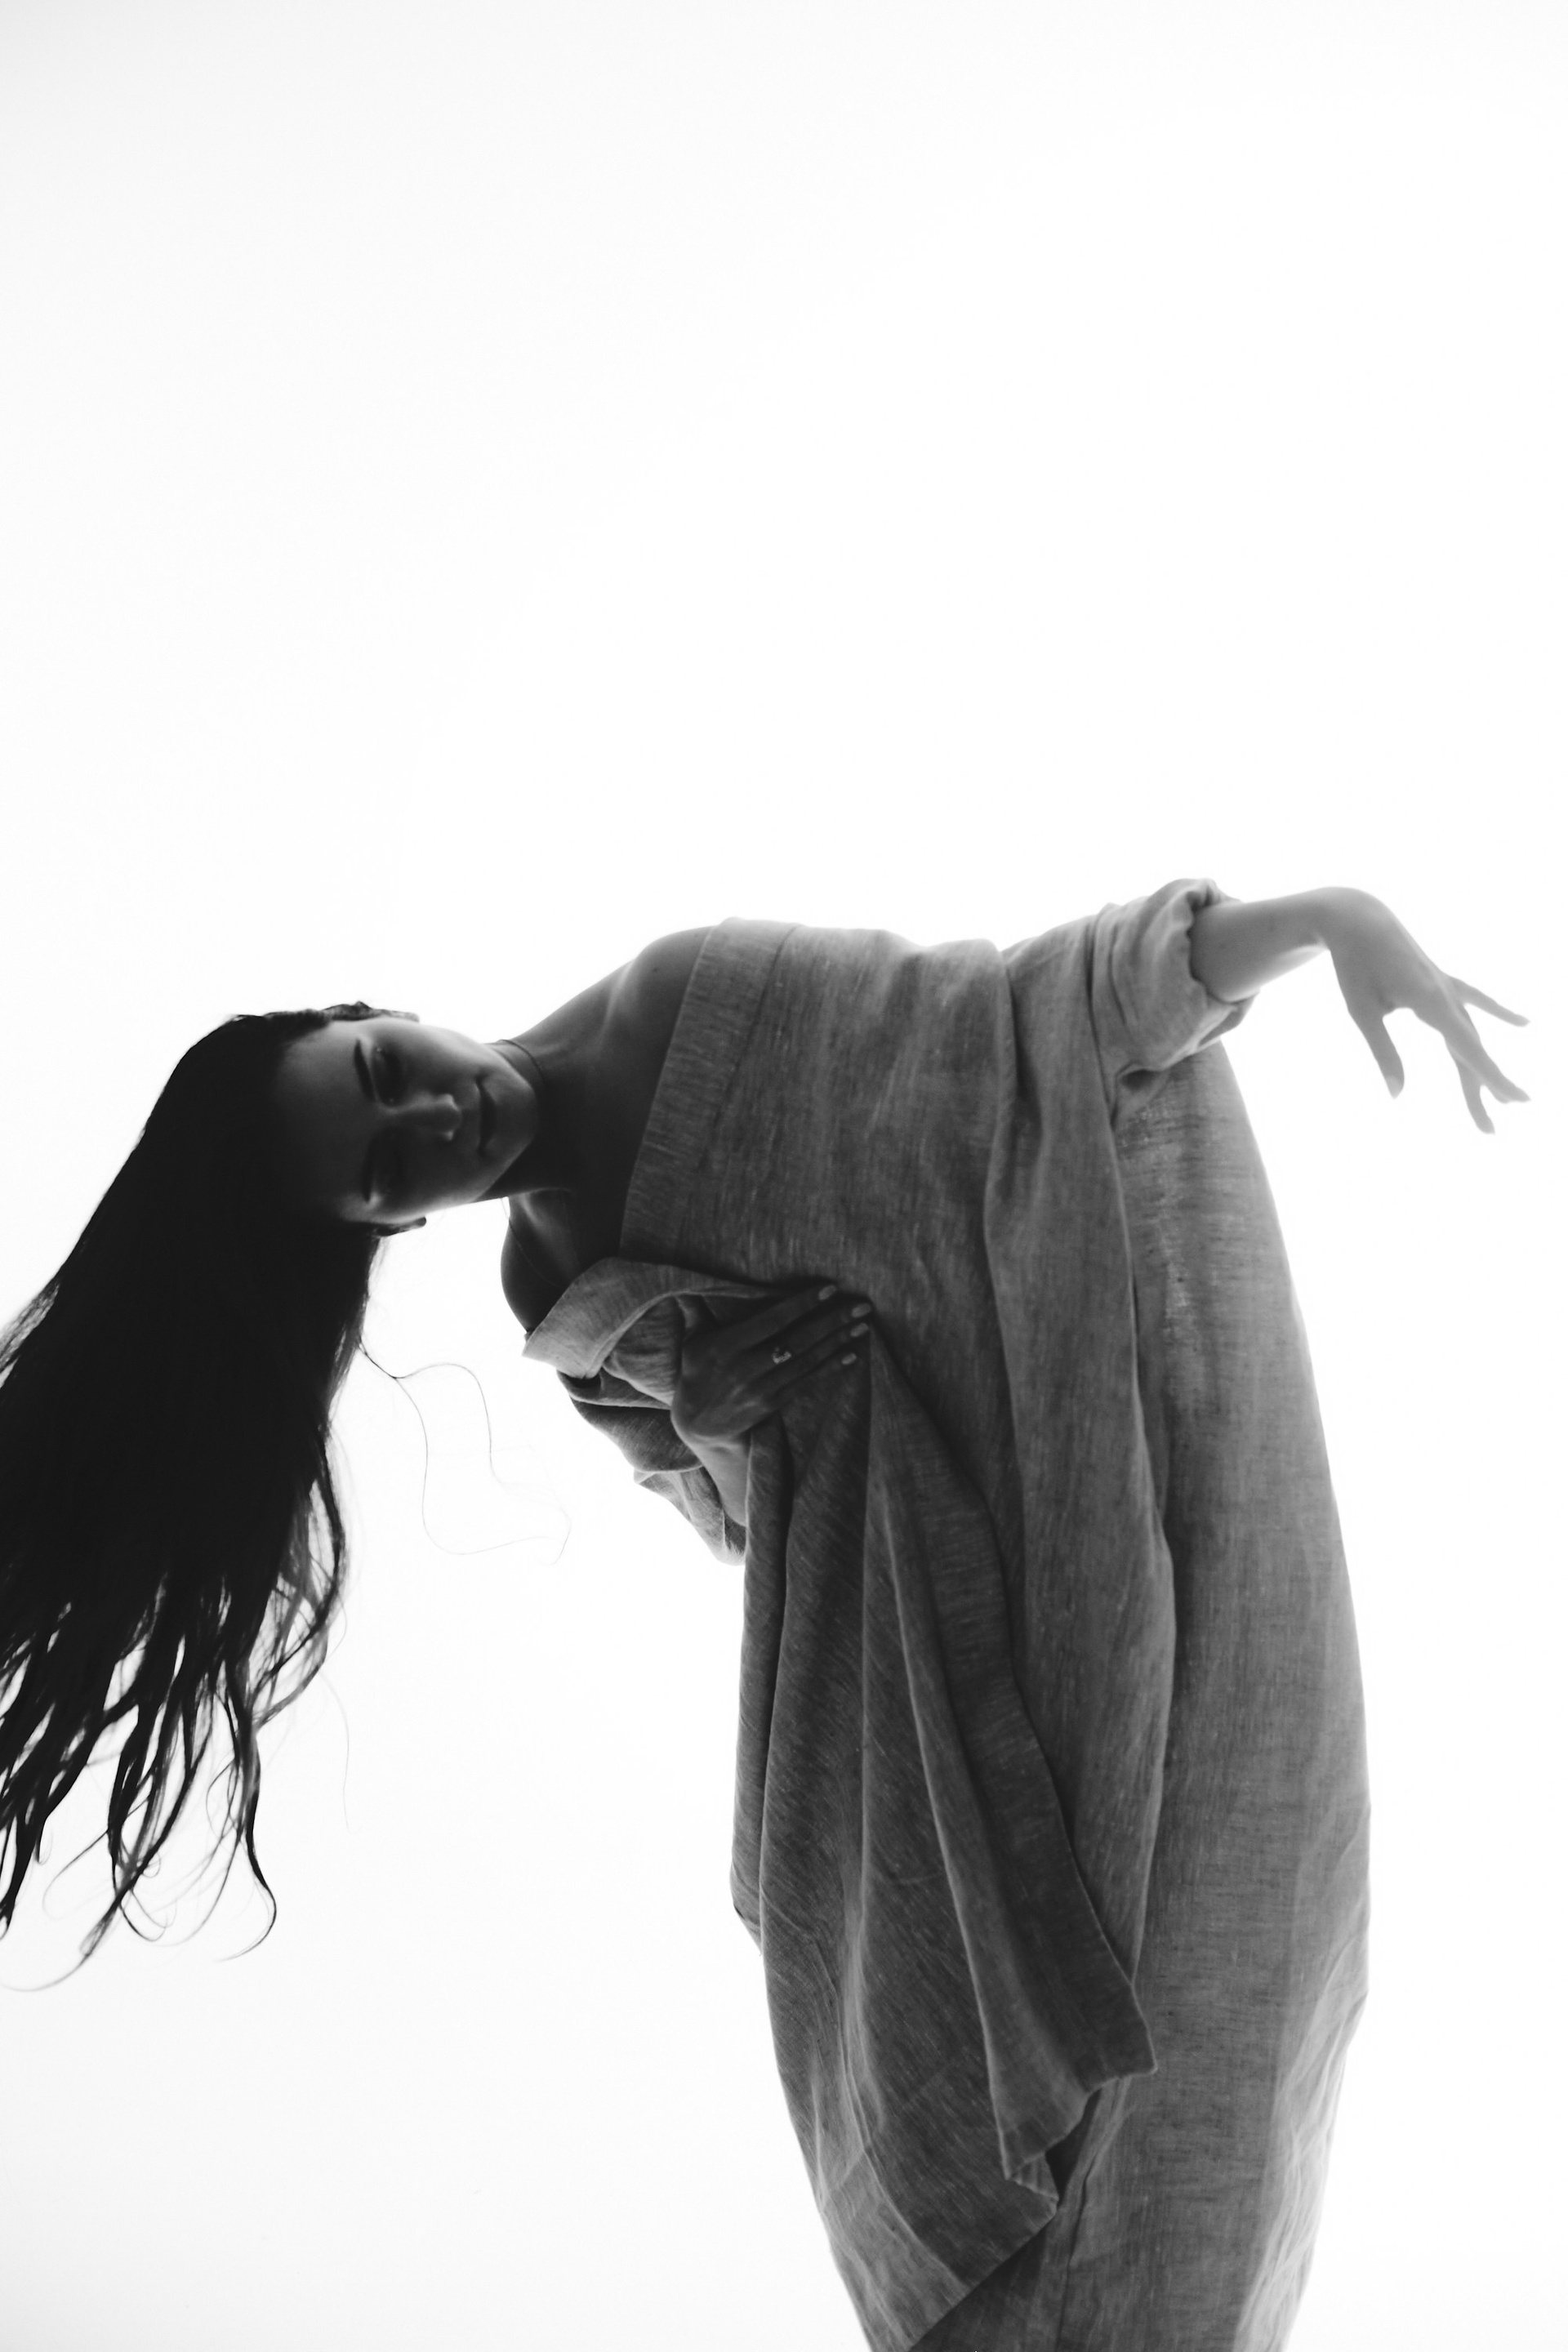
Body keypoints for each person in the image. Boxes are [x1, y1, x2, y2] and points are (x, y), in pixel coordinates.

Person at [0, 880, 1529, 2349]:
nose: (437, 1120)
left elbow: (1026, 1032)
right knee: (1008, 2195)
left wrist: (1325, 920)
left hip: (1129, 1498)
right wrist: (717, 1419)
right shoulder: (552, 1291)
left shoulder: (694, 1002)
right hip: (933, 1709)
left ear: (372, 1013)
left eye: (386, 1071)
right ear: (386, 1229)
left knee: (1210, 2066)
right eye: (389, 1171)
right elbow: (742, 1519)